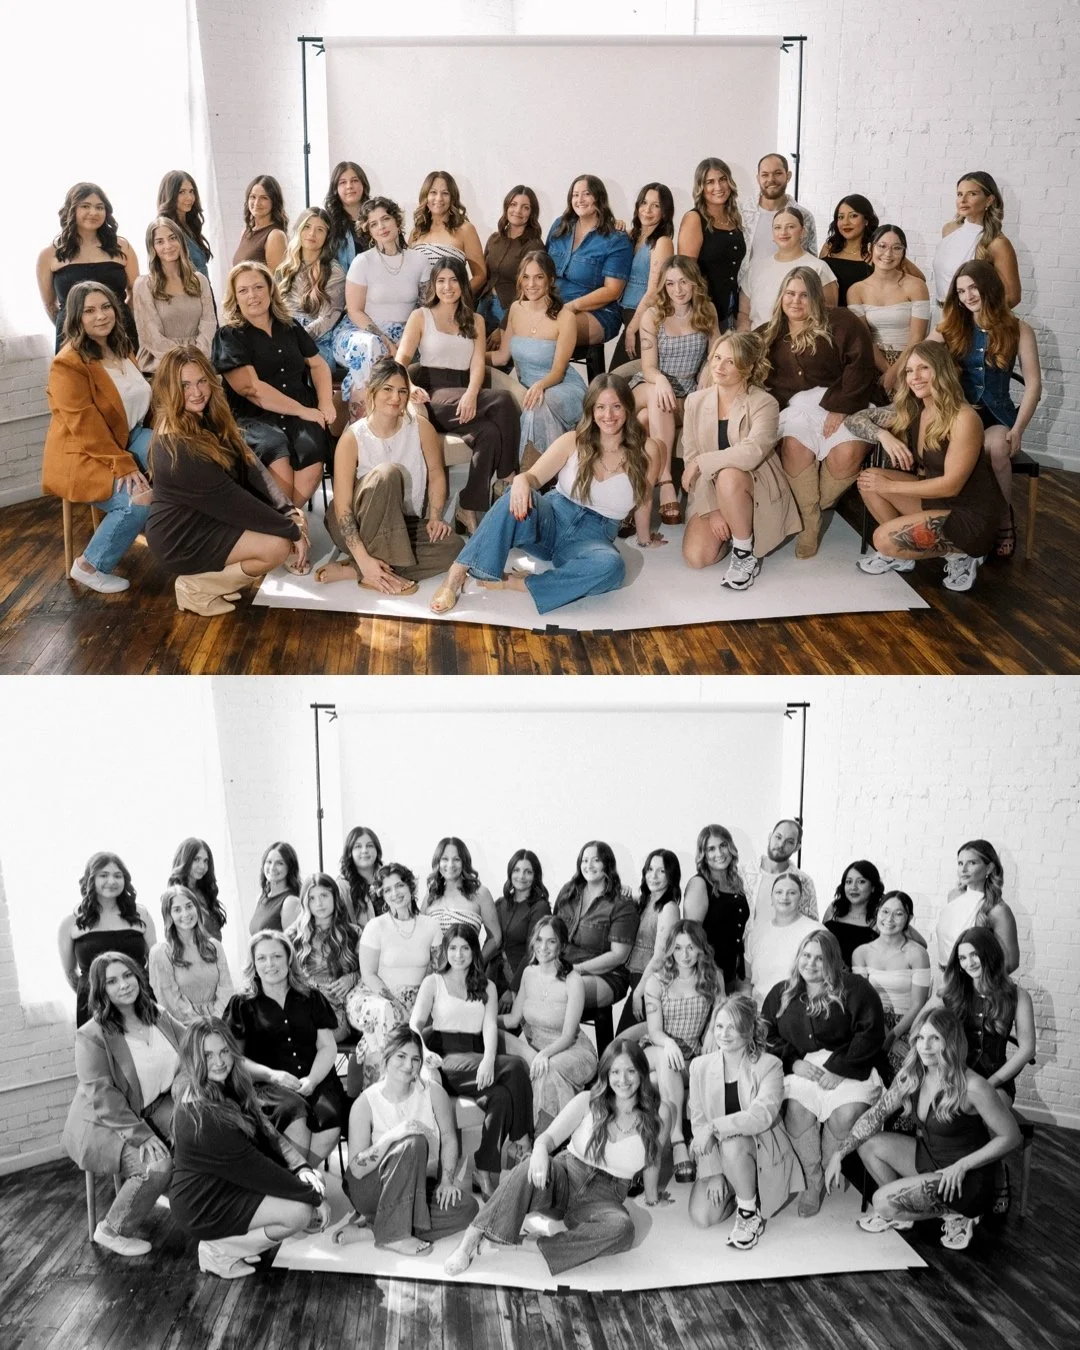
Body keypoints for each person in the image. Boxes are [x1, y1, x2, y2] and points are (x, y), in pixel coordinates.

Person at [430, 374, 665, 616]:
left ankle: (519, 583)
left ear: (628, 408)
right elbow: (532, 477)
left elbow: (644, 500)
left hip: (592, 538)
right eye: (601, 407)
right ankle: (456, 574)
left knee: (612, 567)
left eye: (616, 406)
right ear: (591, 410)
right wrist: (521, 481)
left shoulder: (648, 451)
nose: (609, 415)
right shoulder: (573, 440)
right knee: (513, 494)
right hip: (550, 521)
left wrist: (645, 539)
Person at [444, 1038, 673, 1278]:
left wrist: (652, 1199)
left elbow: (652, 1160)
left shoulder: (659, 1114)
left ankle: (532, 1245)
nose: (622, 1079)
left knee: (623, 1229)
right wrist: (539, 1151)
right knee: (526, 1167)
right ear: (606, 1072)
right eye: (615, 1071)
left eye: (630, 1071)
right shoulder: (588, 1101)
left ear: (642, 1072)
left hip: (604, 1199)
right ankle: (469, 1242)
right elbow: (548, 1139)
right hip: (563, 1179)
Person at [825, 1006, 1021, 1250]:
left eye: (935, 1038)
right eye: (920, 1038)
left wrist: (963, 1165)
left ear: (951, 1042)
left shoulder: (973, 1086)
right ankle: (905, 1213)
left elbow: (1011, 1137)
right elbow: (876, 1114)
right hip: (930, 1159)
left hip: (965, 1178)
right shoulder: (913, 1076)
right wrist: (839, 1153)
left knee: (881, 1201)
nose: (925, 1046)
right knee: (868, 1145)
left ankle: (958, 1214)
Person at [146, 346, 307, 615]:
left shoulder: (204, 415)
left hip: (207, 517)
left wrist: (288, 510)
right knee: (277, 547)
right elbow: (235, 503)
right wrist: (291, 529)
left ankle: (211, 581)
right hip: (180, 538)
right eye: (185, 385)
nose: (197, 392)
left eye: (201, 381)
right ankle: (196, 587)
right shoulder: (179, 448)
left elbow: (250, 464)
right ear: (169, 388)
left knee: (290, 523)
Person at [170, 1017, 327, 1278]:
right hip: (202, 1204)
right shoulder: (204, 1116)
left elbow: (267, 1129)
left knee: (313, 1180)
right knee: (300, 1212)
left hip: (228, 1183)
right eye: (208, 1055)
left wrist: (302, 1168)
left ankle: (234, 1243)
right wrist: (313, 1197)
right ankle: (219, 1250)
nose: (219, 1062)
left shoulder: (226, 1082)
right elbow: (259, 1170)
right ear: (193, 1058)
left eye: (224, 1051)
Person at [851, 341, 1005, 592]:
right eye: (909, 370)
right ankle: (903, 555)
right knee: (868, 480)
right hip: (938, 500)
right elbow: (855, 419)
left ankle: (962, 554)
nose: (915, 377)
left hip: (969, 515)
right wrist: (884, 436)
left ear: (941, 370)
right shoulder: (916, 408)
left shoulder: (963, 418)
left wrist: (890, 486)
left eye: (924, 368)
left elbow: (951, 486)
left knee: (882, 539)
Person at [61, 953, 181, 1256]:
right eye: (112, 981)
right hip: (105, 1123)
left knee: (199, 1129)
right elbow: (104, 1097)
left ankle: (196, 1206)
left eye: (127, 975)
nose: (124, 985)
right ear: (101, 990)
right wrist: (142, 1135)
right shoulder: (91, 1035)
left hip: (149, 1104)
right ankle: (112, 1230)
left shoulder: (157, 1014)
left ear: (138, 977)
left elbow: (192, 1044)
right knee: (157, 1166)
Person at [761, 930, 885, 1216]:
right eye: (806, 956)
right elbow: (765, 1034)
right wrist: (793, 1062)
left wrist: (842, 1069)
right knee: (796, 1109)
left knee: (847, 1113)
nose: (811, 963)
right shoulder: (782, 992)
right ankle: (812, 1180)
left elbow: (871, 1032)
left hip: (851, 1064)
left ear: (833, 960)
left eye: (820, 958)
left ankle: (830, 1166)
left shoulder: (855, 988)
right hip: (803, 1067)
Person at [314, 357, 462, 594]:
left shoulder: (421, 427)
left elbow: (436, 474)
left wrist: (435, 517)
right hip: (355, 525)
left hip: (401, 524)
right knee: (387, 474)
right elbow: (342, 508)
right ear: (372, 391)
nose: (396, 398)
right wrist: (361, 554)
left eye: (402, 391)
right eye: (388, 389)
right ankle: (372, 570)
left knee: (454, 547)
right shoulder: (352, 438)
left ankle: (358, 570)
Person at [41, 282, 152, 594]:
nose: (101, 316)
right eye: (89, 311)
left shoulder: (121, 347)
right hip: (84, 453)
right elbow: (86, 427)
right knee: (137, 500)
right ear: (76, 318)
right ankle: (90, 565)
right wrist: (125, 464)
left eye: (105, 307)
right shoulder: (68, 364)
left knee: (179, 455)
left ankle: (182, 537)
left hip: (125, 436)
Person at [396, 257, 520, 532]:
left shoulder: (476, 320)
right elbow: (401, 360)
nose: (447, 286)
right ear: (434, 285)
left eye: (453, 280)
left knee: (489, 433)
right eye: (441, 280)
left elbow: (477, 364)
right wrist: (410, 387)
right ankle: (509, 474)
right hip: (433, 394)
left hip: (464, 392)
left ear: (463, 284)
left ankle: (468, 506)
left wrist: (472, 394)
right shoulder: (421, 316)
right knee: (503, 400)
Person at [762, 267, 880, 557]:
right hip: (795, 409)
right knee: (793, 446)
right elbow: (739, 356)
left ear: (816, 297)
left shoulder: (842, 321)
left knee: (848, 454)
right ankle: (810, 524)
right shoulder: (768, 333)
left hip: (845, 401)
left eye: (804, 295)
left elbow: (861, 364)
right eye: (790, 293)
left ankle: (806, 510)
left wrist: (841, 407)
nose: (796, 301)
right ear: (781, 296)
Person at [410, 925, 532, 1197]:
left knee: (501, 1097)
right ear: (445, 951)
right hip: (446, 1057)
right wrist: (423, 1051)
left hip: (476, 1056)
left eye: (465, 948)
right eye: (452, 948)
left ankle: (484, 1170)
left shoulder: (487, 985)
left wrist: (489, 1059)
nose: (458, 954)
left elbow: (489, 1027)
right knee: (514, 1066)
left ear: (474, 951)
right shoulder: (433, 982)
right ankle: (523, 1140)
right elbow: (414, 1024)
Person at [337, 1025, 478, 1254]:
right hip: (371, 1188)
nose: (408, 1065)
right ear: (387, 1057)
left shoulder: (433, 1093)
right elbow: (357, 1170)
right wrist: (392, 1136)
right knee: (414, 1141)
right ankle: (396, 1235)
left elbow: (449, 1139)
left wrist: (446, 1181)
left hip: (416, 1187)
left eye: (415, 1059)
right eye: (401, 1056)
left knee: (467, 1208)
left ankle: (375, 1229)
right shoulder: (365, 1103)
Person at [935, 260, 1042, 558]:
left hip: (997, 415)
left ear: (989, 287)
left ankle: (1004, 517)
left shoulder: (1019, 329)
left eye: (973, 288)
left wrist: (1018, 429)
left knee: (995, 449)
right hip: (961, 414)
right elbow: (924, 353)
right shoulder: (953, 325)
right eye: (960, 291)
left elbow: (1034, 385)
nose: (967, 296)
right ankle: (959, 521)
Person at [680, 332, 801, 588]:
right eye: (717, 358)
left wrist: (702, 462)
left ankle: (744, 553)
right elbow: (690, 457)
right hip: (710, 489)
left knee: (728, 475)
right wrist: (714, 510)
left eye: (730, 362)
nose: (719, 367)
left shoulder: (765, 403)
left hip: (754, 485)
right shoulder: (695, 401)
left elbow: (752, 452)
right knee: (696, 558)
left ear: (748, 368)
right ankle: (737, 531)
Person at [213, 262, 333, 509]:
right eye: (243, 290)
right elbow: (251, 389)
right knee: (277, 451)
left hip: (301, 412)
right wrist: (303, 411)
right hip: (254, 417)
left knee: (312, 452)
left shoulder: (290, 326)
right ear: (235, 297)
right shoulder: (229, 336)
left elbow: (318, 365)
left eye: (258, 287)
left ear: (270, 289)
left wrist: (325, 403)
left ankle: (289, 521)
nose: (252, 295)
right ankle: (288, 523)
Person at [688, 994, 803, 1248]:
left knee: (732, 1143)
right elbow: (698, 1122)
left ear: (750, 1030)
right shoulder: (699, 1067)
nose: (724, 1034)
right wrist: (715, 1172)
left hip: (760, 1148)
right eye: (719, 1026)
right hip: (721, 1154)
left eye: (733, 1027)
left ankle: (749, 1214)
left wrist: (714, 1127)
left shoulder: (770, 1065)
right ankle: (742, 1189)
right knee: (702, 1216)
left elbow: (760, 1116)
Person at [225, 929, 348, 1164]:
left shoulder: (311, 996)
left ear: (289, 958)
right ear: (253, 963)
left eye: (277, 956)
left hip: (317, 1077)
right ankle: (304, 1180)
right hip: (269, 1085)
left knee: (331, 1121)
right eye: (261, 958)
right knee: (294, 1114)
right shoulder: (242, 1004)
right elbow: (235, 1057)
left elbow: (327, 1047)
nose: (269, 964)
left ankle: (301, 1178)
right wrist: (272, 1075)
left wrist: (312, 1080)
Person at [630, 255, 719, 524]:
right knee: (657, 398)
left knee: (645, 420)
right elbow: (648, 367)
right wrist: (660, 380)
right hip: (648, 385)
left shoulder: (708, 310)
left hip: (687, 392)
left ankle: (638, 495)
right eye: (670, 284)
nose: (677, 290)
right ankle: (667, 479)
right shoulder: (653, 315)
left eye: (683, 282)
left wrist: (707, 371)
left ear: (694, 283)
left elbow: (717, 352)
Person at [637, 920, 723, 1182]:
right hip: (655, 1050)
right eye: (677, 948)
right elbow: (654, 1032)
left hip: (691, 1056)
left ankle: (647, 1156)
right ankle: (677, 1142)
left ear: (701, 949)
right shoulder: (656, 982)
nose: (684, 955)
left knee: (656, 1081)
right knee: (665, 1060)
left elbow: (722, 1012)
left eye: (691, 947)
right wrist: (669, 1043)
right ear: (670, 950)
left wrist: (711, 1031)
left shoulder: (713, 977)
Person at [346, 863, 444, 1092]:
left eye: (399, 885)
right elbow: (368, 974)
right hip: (372, 997)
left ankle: (402, 1089)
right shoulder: (376, 926)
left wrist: (418, 1004)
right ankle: (384, 1094)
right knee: (385, 1012)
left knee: (383, 1034)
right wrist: (395, 1004)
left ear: (410, 886)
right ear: (381, 895)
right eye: (387, 889)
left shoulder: (431, 925)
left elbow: (437, 969)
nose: (395, 893)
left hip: (413, 999)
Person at [500, 916, 598, 1130]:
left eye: (551, 941)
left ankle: (543, 1138)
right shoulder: (528, 973)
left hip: (573, 1051)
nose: (543, 947)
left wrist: (544, 1054)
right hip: (539, 1051)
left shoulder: (573, 980)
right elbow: (513, 1019)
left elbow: (568, 1036)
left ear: (562, 945)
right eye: (539, 940)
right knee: (519, 1062)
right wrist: (484, 1018)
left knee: (546, 1069)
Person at [488, 250, 586, 461]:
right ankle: (545, 472)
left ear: (550, 280)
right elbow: (502, 357)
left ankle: (530, 470)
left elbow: (558, 372)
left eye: (538, 277)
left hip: (560, 387)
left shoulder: (566, 317)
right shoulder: (515, 308)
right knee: (535, 404)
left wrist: (540, 385)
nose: (531, 284)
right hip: (531, 391)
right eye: (526, 277)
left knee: (537, 405)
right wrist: (471, 356)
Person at [332, 196, 431, 403]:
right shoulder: (363, 262)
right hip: (360, 331)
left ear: (397, 220)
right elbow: (354, 310)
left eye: (385, 219)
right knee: (371, 346)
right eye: (373, 224)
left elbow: (425, 307)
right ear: (368, 230)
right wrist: (385, 341)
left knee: (376, 355)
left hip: (404, 332)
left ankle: (363, 412)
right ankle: (367, 414)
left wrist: (405, 341)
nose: (381, 227)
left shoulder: (419, 260)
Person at [37, 182, 138, 353]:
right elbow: (49, 304)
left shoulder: (123, 247)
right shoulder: (49, 254)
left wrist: (117, 318)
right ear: (71, 210)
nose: (93, 212)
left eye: (100, 207)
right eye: (85, 206)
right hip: (72, 338)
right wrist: (74, 324)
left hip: (121, 333)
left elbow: (135, 292)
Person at [58, 852, 156, 1026]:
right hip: (95, 1007)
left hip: (140, 1001)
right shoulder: (70, 923)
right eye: (103, 875)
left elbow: (155, 962)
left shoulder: (141, 915)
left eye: (118, 876)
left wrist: (139, 990)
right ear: (90, 880)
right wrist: (94, 995)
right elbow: (70, 973)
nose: (112, 881)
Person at [941, 929, 1035, 1104]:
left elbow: (1027, 1049)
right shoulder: (953, 992)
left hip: (996, 1080)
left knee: (982, 1106)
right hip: (956, 1076)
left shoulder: (1019, 996)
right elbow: (920, 1025)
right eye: (962, 958)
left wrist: (988, 1085)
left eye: (974, 955)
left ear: (989, 954)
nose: (969, 963)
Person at [550, 841, 639, 1015]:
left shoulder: (621, 902)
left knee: (561, 991)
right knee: (534, 984)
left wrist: (578, 969)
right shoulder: (569, 891)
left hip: (606, 975)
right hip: (564, 968)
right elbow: (552, 931)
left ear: (607, 864)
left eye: (596, 860)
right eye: (585, 860)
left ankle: (569, 1034)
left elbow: (619, 956)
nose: (589, 865)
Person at [545, 175, 633, 346]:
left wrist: (570, 307)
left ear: (599, 198)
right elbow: (543, 268)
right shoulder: (560, 226)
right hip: (554, 305)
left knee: (550, 331)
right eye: (575, 195)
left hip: (598, 311)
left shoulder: (616, 238)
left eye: (586, 194)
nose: (580, 200)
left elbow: (612, 291)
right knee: (522, 325)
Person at [852, 892, 932, 1075]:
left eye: (898, 914)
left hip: (907, 1024)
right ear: (877, 913)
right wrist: (883, 1034)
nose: (889, 919)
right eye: (885, 912)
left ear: (908, 918)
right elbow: (863, 1001)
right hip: (871, 1022)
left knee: (906, 1074)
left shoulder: (917, 954)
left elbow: (918, 1004)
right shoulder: (861, 953)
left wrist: (893, 1036)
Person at [847, 225, 932, 396]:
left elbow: (917, 337)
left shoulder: (917, 286)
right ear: (870, 248)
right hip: (872, 360)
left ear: (903, 252)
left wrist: (896, 372)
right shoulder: (856, 290)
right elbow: (865, 338)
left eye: (896, 248)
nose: (888, 254)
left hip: (911, 360)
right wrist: (888, 371)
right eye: (882, 246)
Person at [132, 218, 217, 374]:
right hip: (162, 365)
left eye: (172, 238)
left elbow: (209, 324)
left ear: (181, 241)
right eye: (160, 241)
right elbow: (151, 336)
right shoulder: (144, 285)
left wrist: (196, 359)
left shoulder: (200, 280)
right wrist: (183, 362)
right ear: (152, 247)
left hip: (201, 360)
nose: (168, 246)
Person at [286, 872, 361, 1041]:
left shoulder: (354, 933)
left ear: (335, 897)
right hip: (303, 1005)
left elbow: (370, 971)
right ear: (305, 903)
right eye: (312, 898)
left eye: (324, 896)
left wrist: (353, 977)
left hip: (337, 1011)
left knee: (316, 1038)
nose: (319, 903)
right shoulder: (293, 936)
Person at [931, 171, 1021, 313]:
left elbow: (1013, 297)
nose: (963, 200)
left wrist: (979, 317)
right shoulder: (948, 230)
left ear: (989, 200)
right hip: (942, 313)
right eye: (959, 194)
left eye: (972, 194)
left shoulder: (997, 243)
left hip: (971, 318)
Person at [737, 207, 838, 332]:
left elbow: (828, 317)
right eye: (777, 227)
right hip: (757, 340)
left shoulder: (819, 268)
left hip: (801, 341)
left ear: (803, 232)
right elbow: (744, 313)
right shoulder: (756, 268)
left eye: (790, 227)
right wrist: (745, 338)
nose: (783, 232)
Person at [676, 159, 746, 334]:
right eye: (710, 182)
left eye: (723, 179)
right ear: (701, 187)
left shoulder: (734, 218)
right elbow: (685, 272)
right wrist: (700, 310)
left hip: (731, 310)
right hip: (703, 313)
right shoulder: (694, 219)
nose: (718, 186)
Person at [616, 849, 683, 1034]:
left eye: (662, 871)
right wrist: (624, 892)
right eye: (650, 869)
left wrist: (639, 992)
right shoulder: (647, 901)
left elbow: (660, 957)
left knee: (623, 1040)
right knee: (628, 1042)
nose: (653, 876)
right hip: (637, 979)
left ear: (671, 876)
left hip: (649, 984)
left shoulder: (669, 908)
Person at [610, 182, 676, 367]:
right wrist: (616, 228)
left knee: (618, 375)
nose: (647, 210)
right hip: (624, 313)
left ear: (665, 212)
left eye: (656, 206)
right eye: (644, 203)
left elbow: (654, 291)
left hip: (643, 318)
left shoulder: (662, 242)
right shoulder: (632, 236)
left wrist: (632, 329)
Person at [149, 885, 234, 1025]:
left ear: (196, 908)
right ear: (169, 915)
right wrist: (202, 1025)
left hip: (220, 1022)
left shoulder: (214, 947)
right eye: (177, 909)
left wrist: (215, 1019)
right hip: (187, 1027)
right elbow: (170, 1001)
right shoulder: (161, 953)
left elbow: (226, 988)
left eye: (189, 906)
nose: (186, 913)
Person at [274, 207, 347, 370]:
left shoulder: (334, 272)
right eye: (307, 227)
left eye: (320, 230)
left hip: (317, 340)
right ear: (299, 229)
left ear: (327, 237)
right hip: (283, 333)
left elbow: (328, 318)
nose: (312, 234)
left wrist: (295, 340)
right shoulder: (285, 267)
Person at [682, 824, 749, 995]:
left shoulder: (736, 882)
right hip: (708, 976)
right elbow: (691, 937)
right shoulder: (699, 884)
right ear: (703, 854)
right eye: (711, 849)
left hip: (733, 974)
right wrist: (714, 973)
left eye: (723, 845)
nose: (719, 853)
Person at [936, 839, 1020, 973]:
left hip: (976, 982)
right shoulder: (953, 896)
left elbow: (1011, 962)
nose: (963, 869)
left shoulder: (998, 910)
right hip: (948, 979)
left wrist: (980, 980)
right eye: (960, 863)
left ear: (989, 868)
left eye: (972, 863)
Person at [745, 873, 823, 1007]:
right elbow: (747, 979)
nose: (784, 897)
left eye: (792, 893)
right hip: (759, 1011)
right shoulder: (755, 933)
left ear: (801, 898)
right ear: (771, 897)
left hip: (799, 1011)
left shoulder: (816, 932)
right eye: (779, 892)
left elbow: (826, 977)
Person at [476, 185, 544, 336]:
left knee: (502, 351)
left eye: (525, 207)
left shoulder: (534, 246)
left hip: (509, 311)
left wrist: (504, 326)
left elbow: (529, 290)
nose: (518, 211)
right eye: (513, 204)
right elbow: (483, 277)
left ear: (531, 213)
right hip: (483, 305)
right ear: (506, 206)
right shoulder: (494, 239)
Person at [420, 836, 502, 961]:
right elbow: (419, 938)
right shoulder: (431, 896)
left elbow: (496, 938)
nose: (450, 864)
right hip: (434, 971)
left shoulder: (480, 893)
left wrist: (476, 964)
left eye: (456, 859)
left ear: (464, 862)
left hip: (466, 971)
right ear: (438, 862)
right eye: (445, 859)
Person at [489, 849, 552, 1006]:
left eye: (528, 872)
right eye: (516, 870)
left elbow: (533, 950)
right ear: (510, 872)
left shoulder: (540, 907)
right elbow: (490, 943)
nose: (521, 876)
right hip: (492, 977)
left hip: (520, 980)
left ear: (535, 876)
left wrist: (513, 989)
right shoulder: (500, 903)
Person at [744, 819, 818, 946]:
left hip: (785, 951)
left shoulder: (804, 882)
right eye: (778, 837)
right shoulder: (743, 874)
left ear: (797, 847)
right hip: (746, 951)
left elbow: (811, 927)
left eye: (790, 841)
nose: (781, 844)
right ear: (770, 836)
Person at [408, 170, 486, 291]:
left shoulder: (465, 229)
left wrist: (459, 297)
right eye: (433, 192)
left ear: (452, 198)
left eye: (445, 193)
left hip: (453, 302)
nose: (439, 198)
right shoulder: (416, 232)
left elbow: (480, 275)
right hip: (418, 302)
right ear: (425, 196)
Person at [742, 154, 819, 258]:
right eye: (765, 175)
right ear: (758, 178)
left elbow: (811, 259)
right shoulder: (742, 212)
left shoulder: (804, 216)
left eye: (777, 173)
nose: (771, 179)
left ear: (788, 176)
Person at [823, 860, 886, 969]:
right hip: (828, 974)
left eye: (861, 882)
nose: (853, 887)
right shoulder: (834, 908)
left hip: (863, 977)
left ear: (873, 887)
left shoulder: (881, 916)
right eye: (848, 882)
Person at [818, 195, 878, 306]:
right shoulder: (829, 247)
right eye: (840, 217)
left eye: (853, 216)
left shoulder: (877, 250)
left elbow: (911, 277)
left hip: (861, 315)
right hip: (830, 313)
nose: (845, 222)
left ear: (866, 220)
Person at [156, 170, 214, 279]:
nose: (189, 197)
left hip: (203, 288)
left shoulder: (190, 226)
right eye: (181, 192)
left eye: (191, 191)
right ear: (169, 195)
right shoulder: (164, 229)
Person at [168, 838, 228, 941]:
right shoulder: (177, 896)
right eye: (196, 859)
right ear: (185, 860)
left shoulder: (205, 892)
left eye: (205, 861)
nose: (202, 866)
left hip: (216, 950)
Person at [324, 160, 372, 273]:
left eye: (355, 180)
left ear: (363, 184)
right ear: (335, 189)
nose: (349, 186)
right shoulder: (327, 223)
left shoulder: (376, 218)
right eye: (343, 182)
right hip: (342, 282)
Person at [232, 175, 287, 271]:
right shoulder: (245, 232)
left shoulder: (275, 236)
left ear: (274, 202)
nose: (257, 203)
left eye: (264, 198)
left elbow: (277, 279)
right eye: (253, 197)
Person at [337, 825, 384, 929]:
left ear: (377, 850)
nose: (364, 850)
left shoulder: (387, 879)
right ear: (350, 852)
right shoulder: (342, 887)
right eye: (358, 846)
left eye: (370, 845)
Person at [249, 841, 302, 934]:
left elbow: (290, 941)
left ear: (290, 867)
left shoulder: (290, 902)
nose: (272, 867)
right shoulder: (261, 897)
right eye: (269, 862)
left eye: (280, 863)